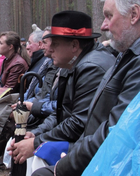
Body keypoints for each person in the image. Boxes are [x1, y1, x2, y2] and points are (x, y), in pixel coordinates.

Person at [31, 0, 140, 176]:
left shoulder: (94, 66)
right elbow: (64, 113)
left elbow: (112, 131)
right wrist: (38, 137)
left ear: (134, 15)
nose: (103, 25)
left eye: (109, 16)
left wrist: (59, 165)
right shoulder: (123, 56)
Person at [8, 11, 116, 173]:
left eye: (55, 43)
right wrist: (36, 134)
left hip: (96, 146)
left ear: (74, 45)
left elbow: (79, 122)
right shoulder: (73, 64)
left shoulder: (91, 68)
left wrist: (37, 142)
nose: (49, 49)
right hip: (81, 139)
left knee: (39, 161)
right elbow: (61, 113)